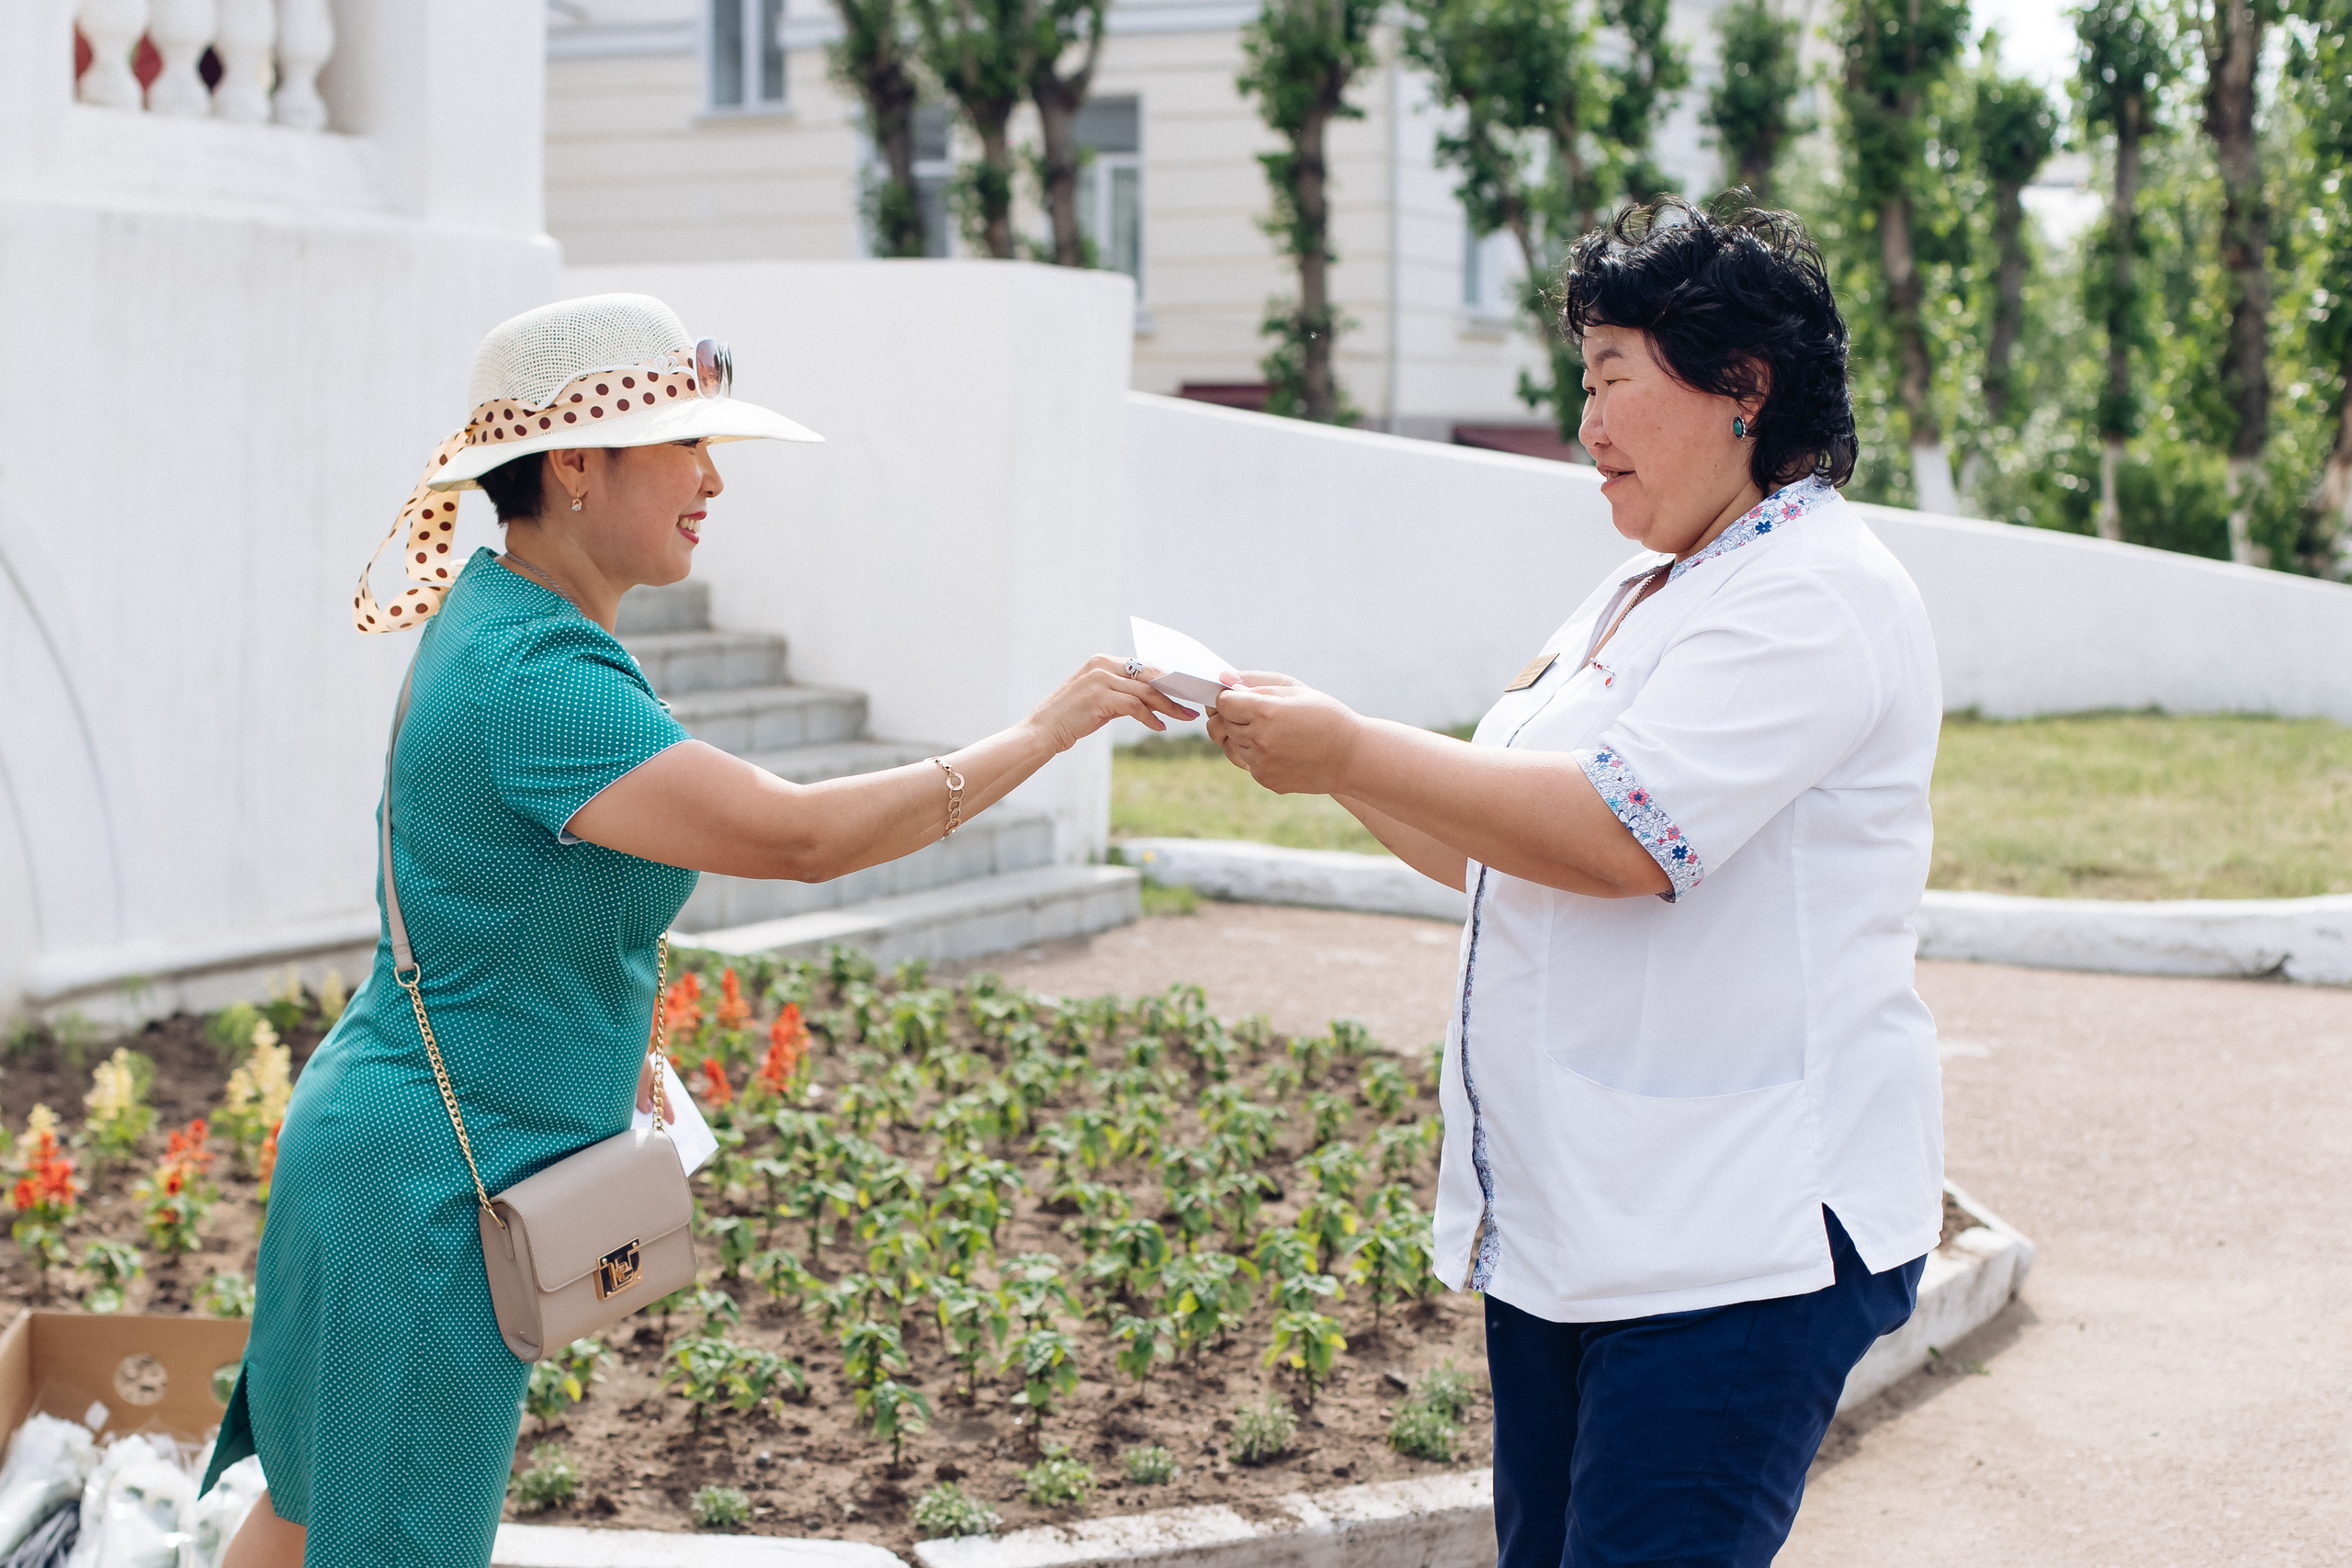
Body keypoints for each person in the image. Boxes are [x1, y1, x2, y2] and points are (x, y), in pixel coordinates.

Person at [208, 294, 1193, 1568]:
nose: (714, 478)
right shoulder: (538, 679)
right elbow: (801, 838)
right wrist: (1045, 732)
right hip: (426, 1204)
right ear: (574, 466)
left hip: (383, 1158)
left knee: (306, 1516)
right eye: (683, 442)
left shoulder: (514, 626)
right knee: (378, 1538)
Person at [1204, 200, 1942, 1565]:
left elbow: (1615, 838)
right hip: (1583, 1231)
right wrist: (1328, 761)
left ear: (1743, 386)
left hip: (1737, 1244)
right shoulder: (1638, 591)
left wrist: (1356, 743)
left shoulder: (1816, 594)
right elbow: (1495, 846)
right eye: (1581, 379)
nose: (1584, 426)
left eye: (1612, 377)